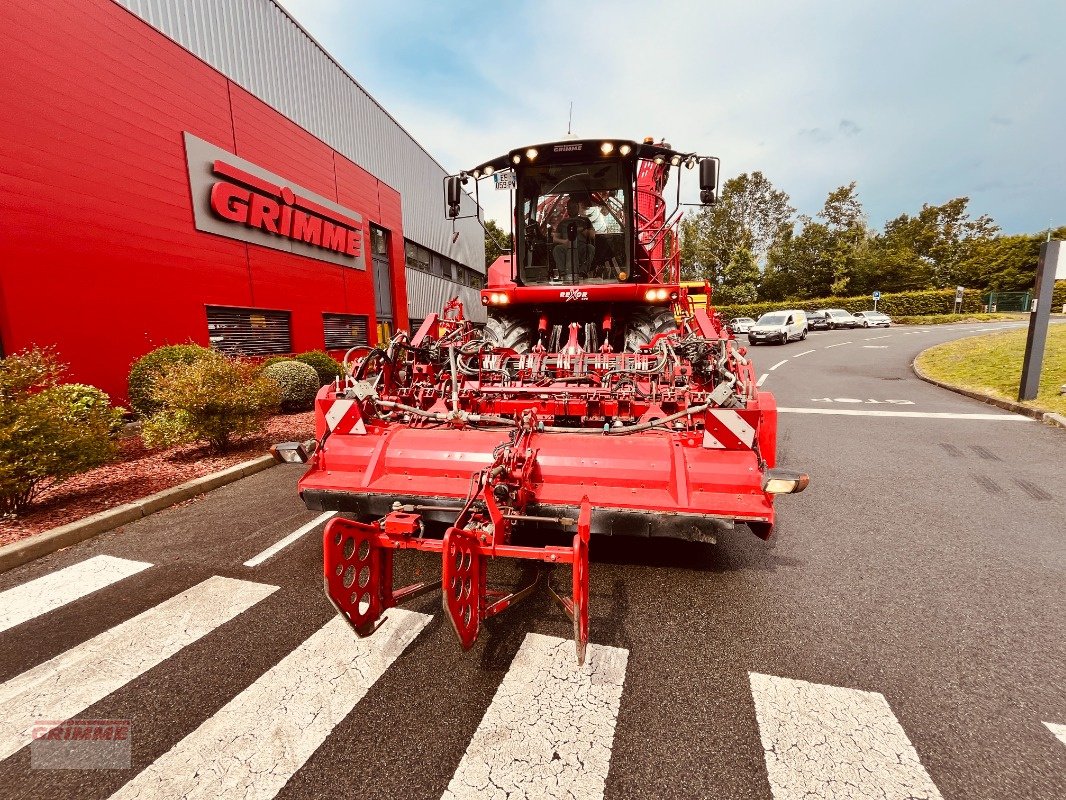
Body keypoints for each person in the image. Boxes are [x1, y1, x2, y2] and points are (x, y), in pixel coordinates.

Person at [552, 197, 595, 277]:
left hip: (581, 247)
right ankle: (563, 273)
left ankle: (583, 272)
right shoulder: (562, 223)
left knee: (590, 248)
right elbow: (555, 239)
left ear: (578, 208)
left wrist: (581, 230)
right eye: (570, 207)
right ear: (567, 209)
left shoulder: (585, 221)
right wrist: (565, 242)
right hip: (566, 246)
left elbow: (592, 235)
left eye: (574, 207)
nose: (572, 209)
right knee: (557, 249)